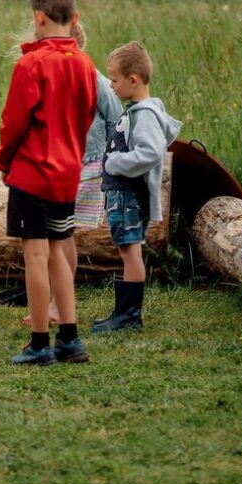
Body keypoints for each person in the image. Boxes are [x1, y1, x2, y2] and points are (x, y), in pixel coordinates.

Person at [0, 0, 96, 365]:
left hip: (33, 175)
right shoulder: (85, 64)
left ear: (38, 17)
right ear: (75, 17)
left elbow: (13, 122)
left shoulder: (31, 64)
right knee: (57, 253)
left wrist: (2, 159)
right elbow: (85, 118)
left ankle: (38, 344)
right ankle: (70, 339)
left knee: (35, 255)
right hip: (67, 175)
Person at [22, 18, 121, 328]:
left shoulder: (94, 78)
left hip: (87, 166)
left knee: (62, 234)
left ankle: (58, 306)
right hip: (59, 165)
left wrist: (107, 159)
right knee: (58, 233)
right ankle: (57, 304)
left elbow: (117, 118)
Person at [94, 41, 182, 332]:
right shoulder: (137, 110)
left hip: (129, 195)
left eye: (115, 80)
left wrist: (115, 163)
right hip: (124, 195)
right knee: (127, 250)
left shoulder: (143, 114)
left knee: (130, 251)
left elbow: (151, 152)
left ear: (133, 80)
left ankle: (129, 316)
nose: (111, 84)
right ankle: (123, 313)